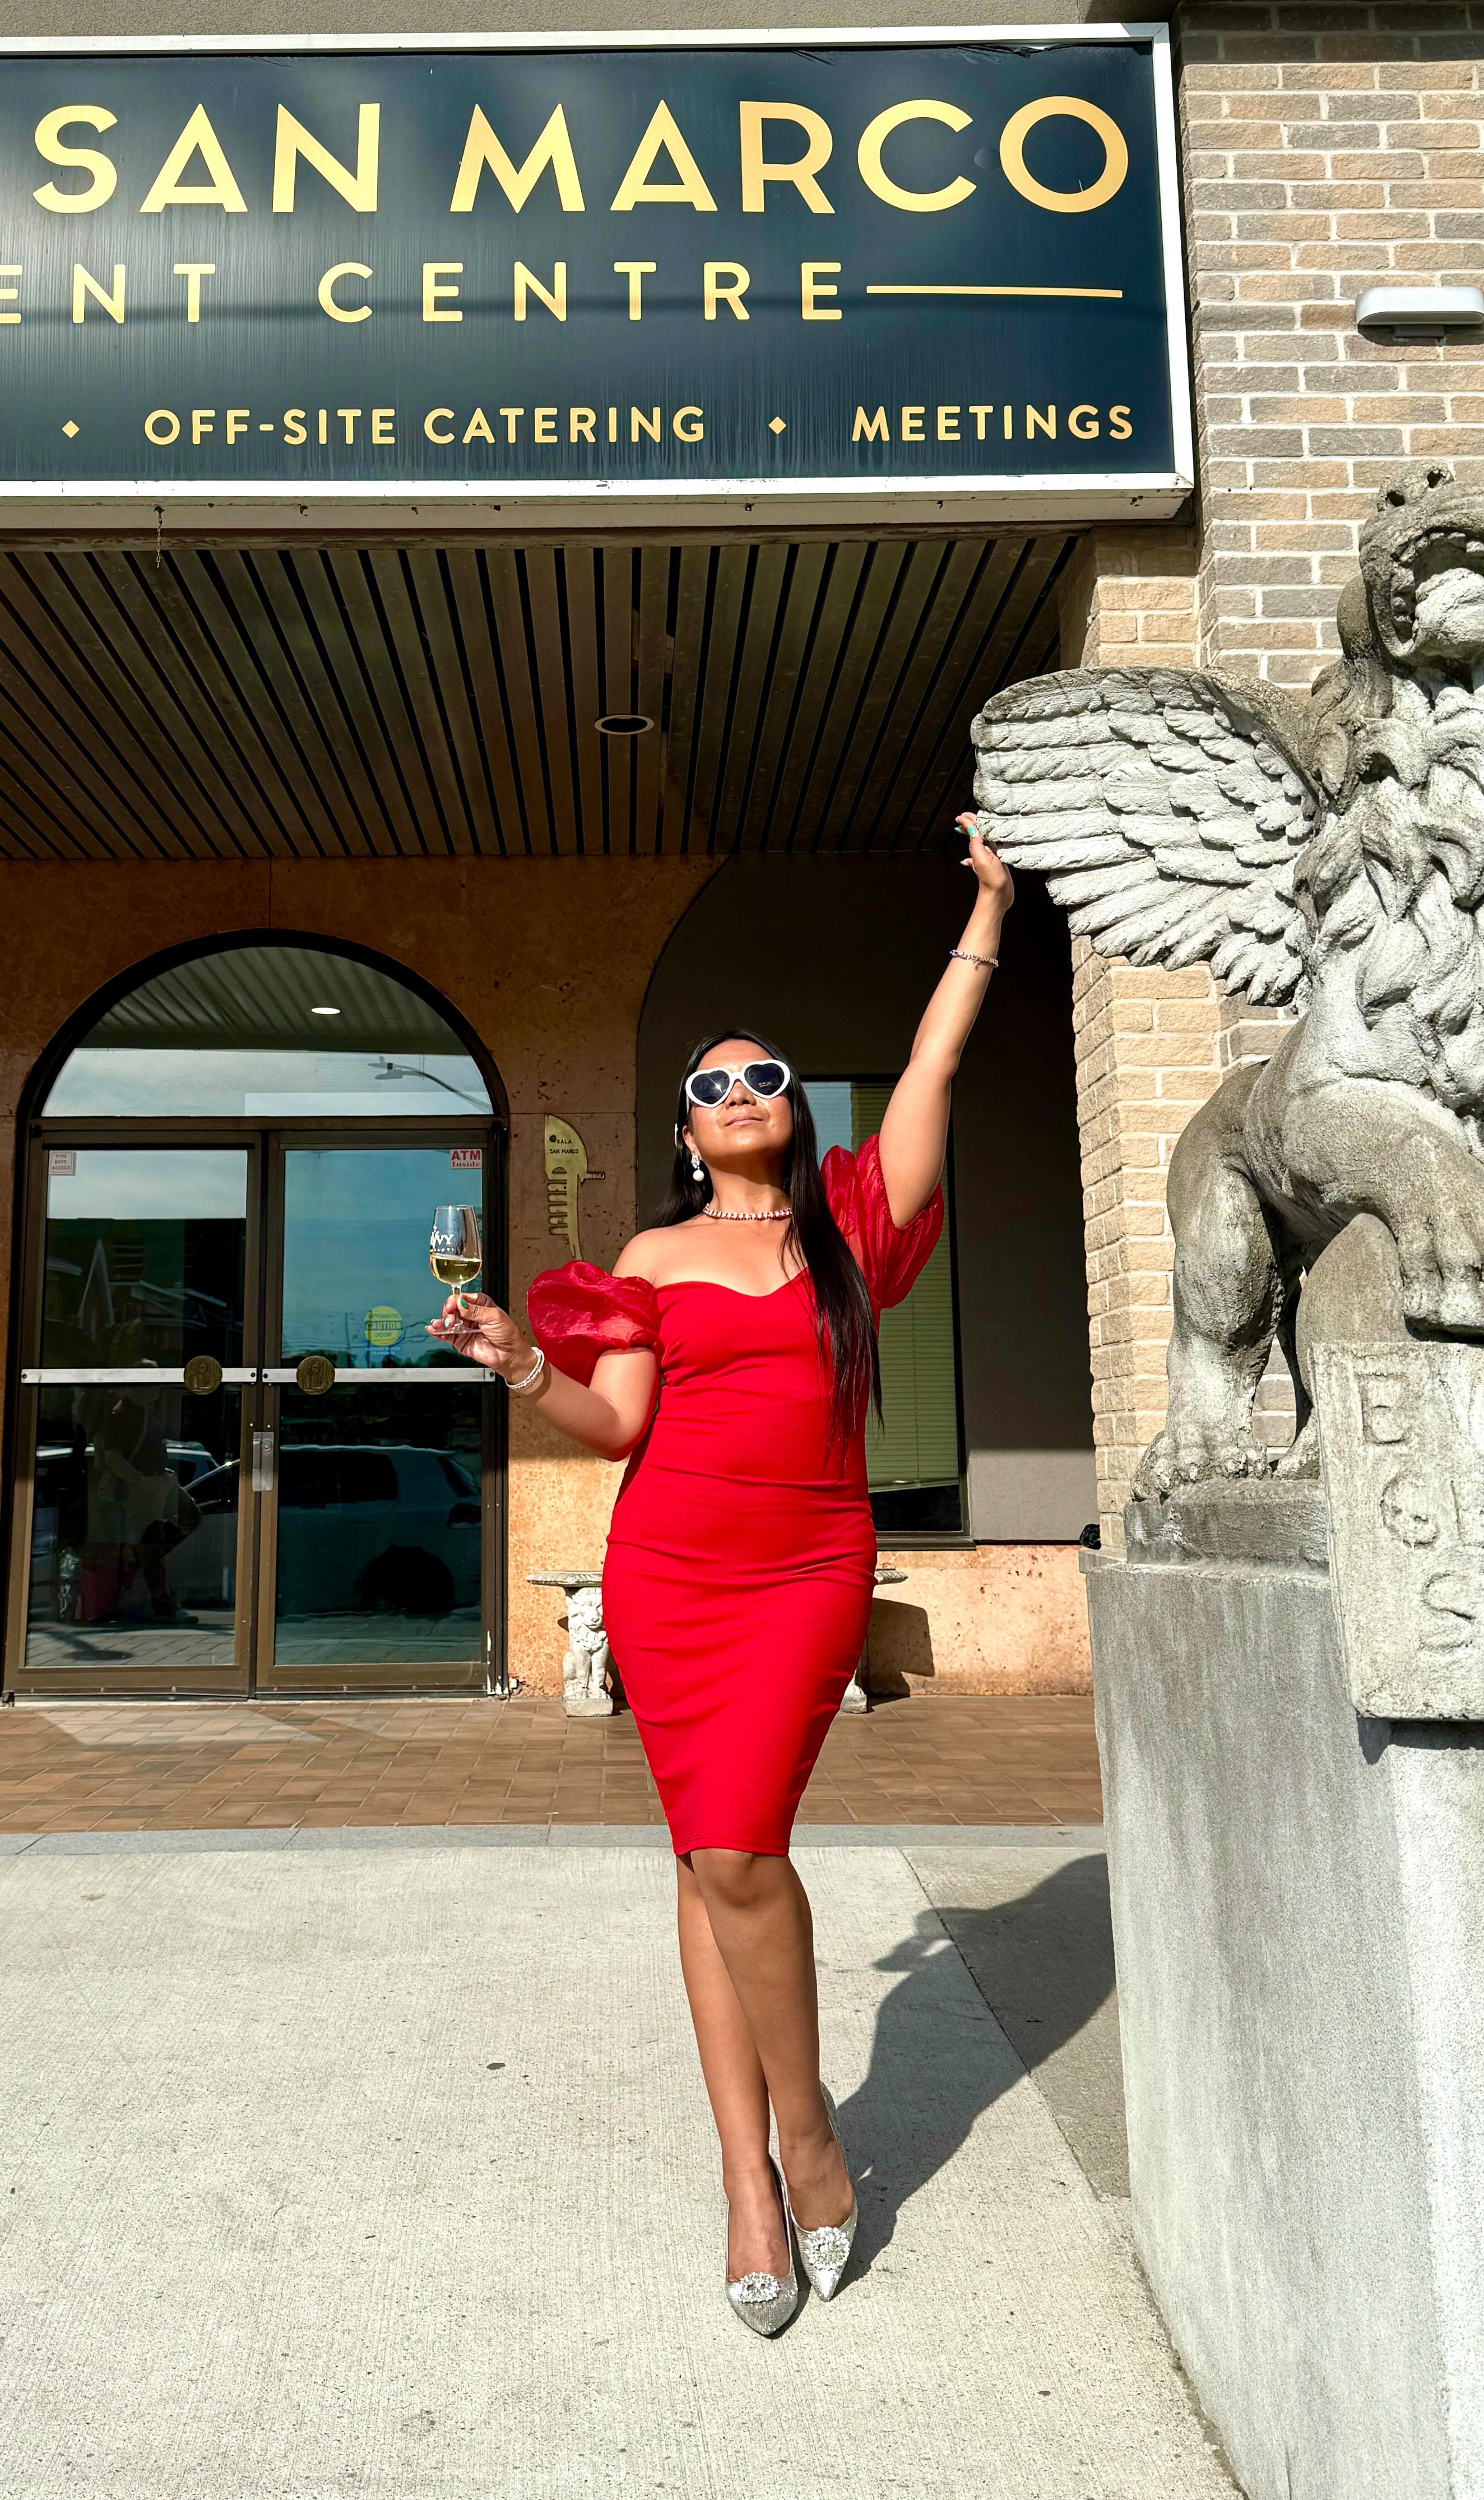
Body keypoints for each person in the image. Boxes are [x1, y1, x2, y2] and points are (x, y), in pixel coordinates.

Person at [431, 814, 1013, 2331]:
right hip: (671, 1572)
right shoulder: (651, 1255)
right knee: (707, 1857)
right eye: (712, 1084)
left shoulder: (854, 1233)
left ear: (798, 1112)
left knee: (741, 1849)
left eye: (766, 1076)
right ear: (687, 1132)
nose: (741, 1092)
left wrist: (989, 910)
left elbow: (935, 1065)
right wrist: (523, 1367)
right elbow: (618, 1422)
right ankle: (752, 2179)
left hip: (807, 1569)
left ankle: (806, 2133)